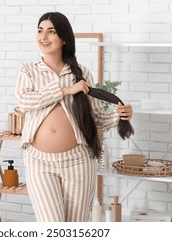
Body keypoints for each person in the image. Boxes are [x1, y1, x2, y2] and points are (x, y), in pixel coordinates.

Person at [15, 12, 133, 222]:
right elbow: (25, 102)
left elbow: (95, 119)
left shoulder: (82, 73)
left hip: (79, 160)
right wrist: (65, 89)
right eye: (40, 30)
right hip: (39, 161)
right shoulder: (28, 70)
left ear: (64, 38)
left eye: (51, 31)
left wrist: (119, 116)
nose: (44, 37)